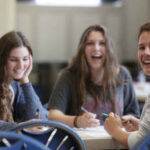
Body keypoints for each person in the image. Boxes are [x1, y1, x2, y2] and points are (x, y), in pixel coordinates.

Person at [48, 24, 140, 128]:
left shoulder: (123, 74)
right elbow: (53, 116)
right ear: (83, 49)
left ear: (109, 49)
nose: (96, 48)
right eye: (90, 43)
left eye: (102, 43)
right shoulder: (68, 76)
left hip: (116, 142)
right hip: (81, 143)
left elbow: (134, 115)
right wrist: (77, 121)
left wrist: (124, 121)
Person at [104, 22, 150, 149]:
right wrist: (142, 125)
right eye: (141, 47)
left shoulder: (123, 73)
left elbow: (140, 143)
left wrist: (114, 130)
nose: (146, 52)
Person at [0, 31, 47, 124]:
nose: (21, 65)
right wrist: (17, 128)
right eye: (13, 60)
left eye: (25, 59)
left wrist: (25, 80)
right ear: (2, 60)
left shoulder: (15, 85)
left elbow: (38, 119)